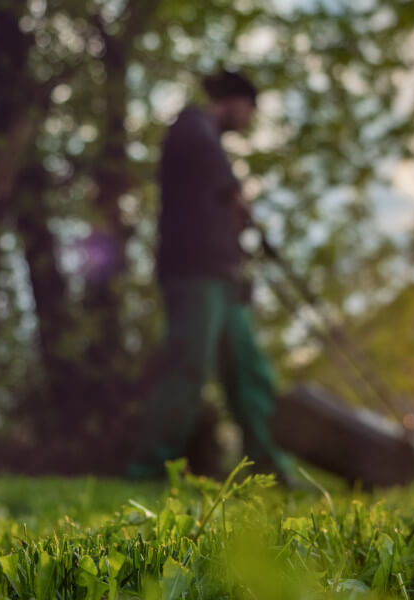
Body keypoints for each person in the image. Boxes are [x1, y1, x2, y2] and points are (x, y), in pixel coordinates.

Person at [129, 70, 292, 481]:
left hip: (223, 277)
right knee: (188, 368)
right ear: (234, 101)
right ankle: (151, 467)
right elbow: (224, 188)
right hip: (193, 273)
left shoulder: (210, 141)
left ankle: (267, 469)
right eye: (249, 111)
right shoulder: (193, 126)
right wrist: (238, 199)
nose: (249, 121)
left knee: (250, 373)